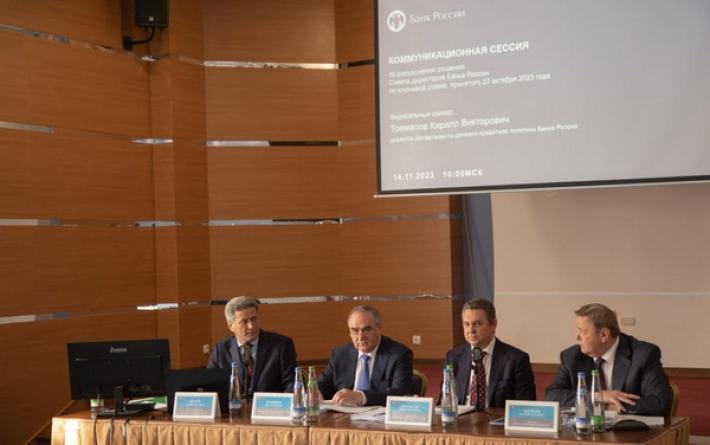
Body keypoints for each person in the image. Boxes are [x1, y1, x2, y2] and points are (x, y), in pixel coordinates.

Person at [544, 303, 672, 416]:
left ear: (604, 335)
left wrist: (609, 407)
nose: (577, 337)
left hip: (629, 432)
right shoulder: (571, 356)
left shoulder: (643, 355)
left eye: (583, 331)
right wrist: (598, 397)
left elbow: (660, 403)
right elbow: (552, 396)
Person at [443, 299, 536, 408]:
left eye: (477, 324)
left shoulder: (516, 360)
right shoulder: (453, 357)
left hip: (496, 418)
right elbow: (444, 401)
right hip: (461, 417)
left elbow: (526, 406)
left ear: (493, 324)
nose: (471, 330)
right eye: (467, 324)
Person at [318, 305, 413, 406]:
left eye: (366, 329)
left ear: (379, 328)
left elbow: (401, 393)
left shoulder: (399, 354)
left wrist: (361, 397)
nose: (360, 337)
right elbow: (322, 385)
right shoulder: (340, 354)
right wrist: (315, 392)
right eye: (354, 330)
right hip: (342, 413)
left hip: (378, 414)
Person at [207, 296, 297, 396]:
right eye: (244, 321)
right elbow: (210, 386)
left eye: (254, 319)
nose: (251, 326)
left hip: (271, 405)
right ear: (231, 326)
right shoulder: (221, 350)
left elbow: (292, 384)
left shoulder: (282, 345)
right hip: (234, 406)